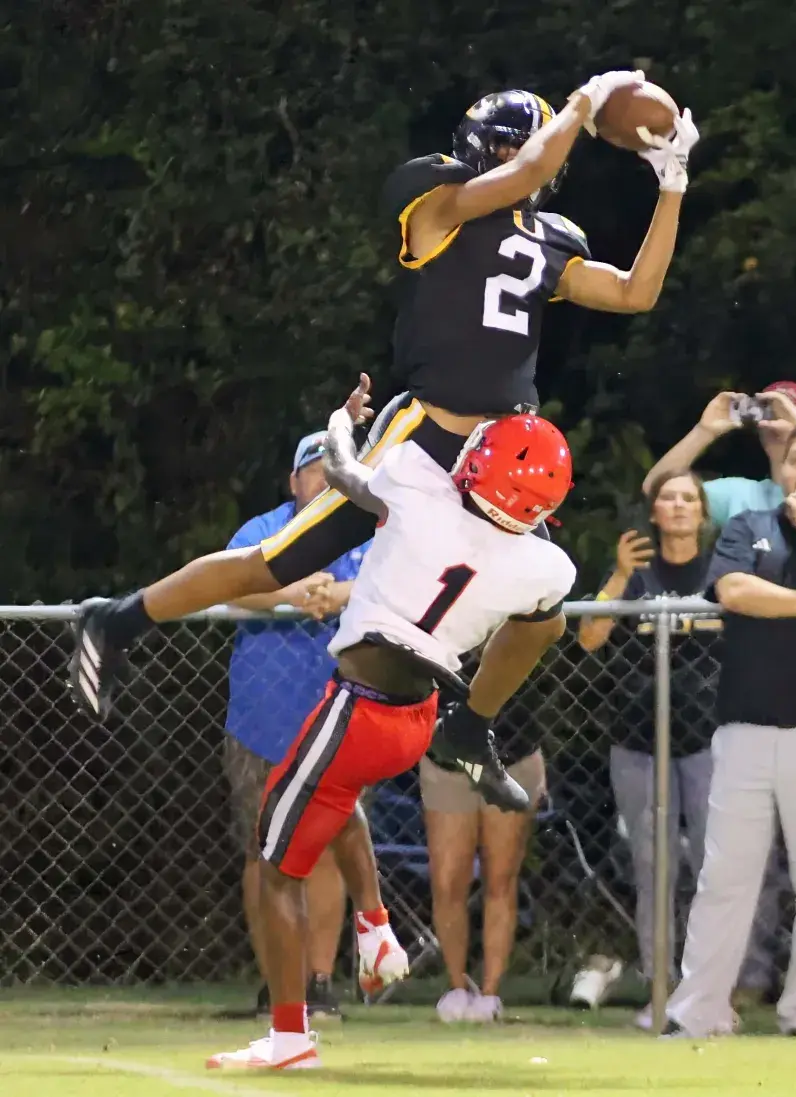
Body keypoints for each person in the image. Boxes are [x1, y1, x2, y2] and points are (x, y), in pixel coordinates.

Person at [70, 75, 699, 732]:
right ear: (481, 147)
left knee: (543, 616)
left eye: (531, 147)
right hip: (426, 435)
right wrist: (584, 102)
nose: (526, 158)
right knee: (279, 562)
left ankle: (469, 728)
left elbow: (636, 292)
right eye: (511, 146)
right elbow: (528, 172)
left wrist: (672, 183)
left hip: (502, 457)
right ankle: (117, 619)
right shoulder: (435, 199)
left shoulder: (552, 235)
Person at [206, 378, 578, 1069]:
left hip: (361, 701)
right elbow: (542, 619)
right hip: (418, 713)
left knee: (275, 863)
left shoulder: (422, 494)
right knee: (336, 797)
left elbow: (345, 472)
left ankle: (289, 1036)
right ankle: (375, 929)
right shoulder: (545, 564)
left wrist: (342, 421)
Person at [664, 422, 796, 1039]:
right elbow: (735, 590)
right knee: (725, 876)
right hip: (744, 725)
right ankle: (697, 1012)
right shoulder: (748, 526)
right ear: (780, 469)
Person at [576, 471, 771, 1026]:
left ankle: (714, 993)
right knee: (653, 869)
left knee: (716, 868)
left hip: (709, 739)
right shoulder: (635, 571)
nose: (679, 505)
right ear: (655, 511)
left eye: (689, 498)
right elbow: (589, 639)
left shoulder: (722, 572)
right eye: (669, 497)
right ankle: (660, 992)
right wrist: (618, 576)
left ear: (703, 513)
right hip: (638, 740)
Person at [223, 429, 371, 1021]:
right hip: (261, 721)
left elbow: (392, 586)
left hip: (341, 717)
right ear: (294, 481)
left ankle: (319, 981)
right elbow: (234, 586)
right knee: (262, 853)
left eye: (335, 470)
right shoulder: (264, 531)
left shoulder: (367, 533)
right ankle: (276, 983)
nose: (325, 479)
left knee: (332, 848)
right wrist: (294, 593)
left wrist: (336, 594)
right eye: (315, 469)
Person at [421, 671, 548, 1024]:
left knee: (500, 878)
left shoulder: (518, 636)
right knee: (447, 881)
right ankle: (457, 986)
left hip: (512, 754)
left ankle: (490, 994)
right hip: (446, 761)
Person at [642, 381, 796, 519]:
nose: (775, 423)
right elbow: (655, 489)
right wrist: (703, 431)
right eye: (768, 413)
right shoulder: (740, 495)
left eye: (786, 413)